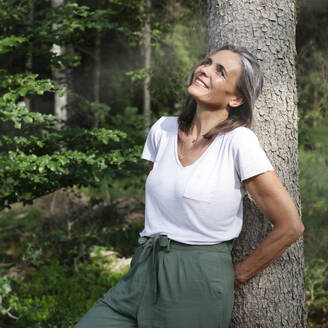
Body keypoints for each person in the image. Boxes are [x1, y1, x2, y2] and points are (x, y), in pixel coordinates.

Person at [74, 45, 304, 328]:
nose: (204, 70)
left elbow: (291, 225)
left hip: (196, 283)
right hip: (143, 271)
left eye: (220, 71)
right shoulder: (163, 130)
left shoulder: (238, 142)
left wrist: (239, 274)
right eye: (207, 63)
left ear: (235, 98)